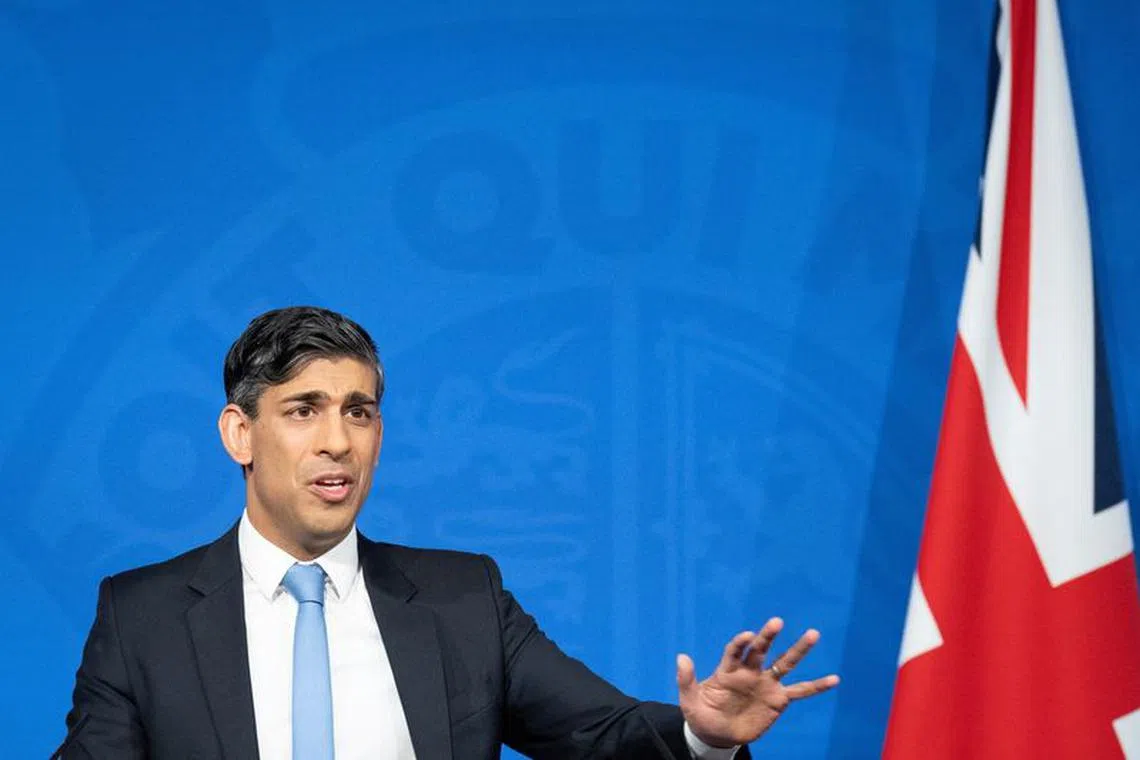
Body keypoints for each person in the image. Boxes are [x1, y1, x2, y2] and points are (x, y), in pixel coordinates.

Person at [64, 306, 838, 759]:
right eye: (304, 411)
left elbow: (603, 736)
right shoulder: (142, 617)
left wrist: (707, 737)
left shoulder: (464, 599)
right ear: (240, 433)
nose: (338, 442)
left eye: (359, 412)